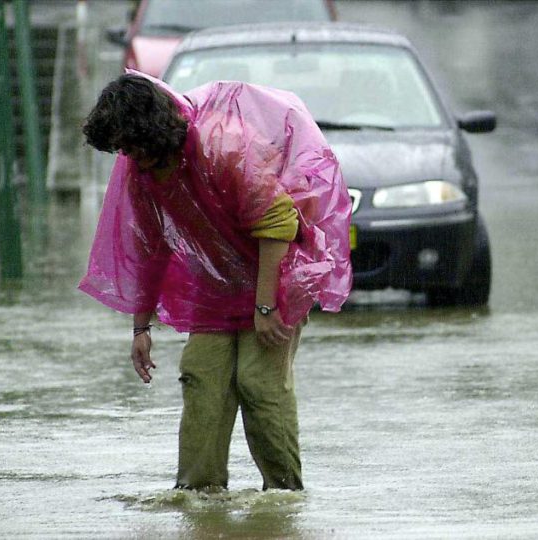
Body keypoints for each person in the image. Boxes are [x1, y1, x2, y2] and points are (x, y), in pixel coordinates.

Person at [79, 71, 352, 491]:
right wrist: (140, 326)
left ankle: (283, 498)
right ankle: (199, 498)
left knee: (258, 383)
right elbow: (151, 246)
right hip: (216, 285)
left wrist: (266, 308)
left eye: (130, 143)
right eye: (120, 148)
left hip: (275, 275)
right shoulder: (143, 173)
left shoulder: (221, 147)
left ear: (152, 129)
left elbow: (279, 222)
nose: (127, 155)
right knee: (201, 378)